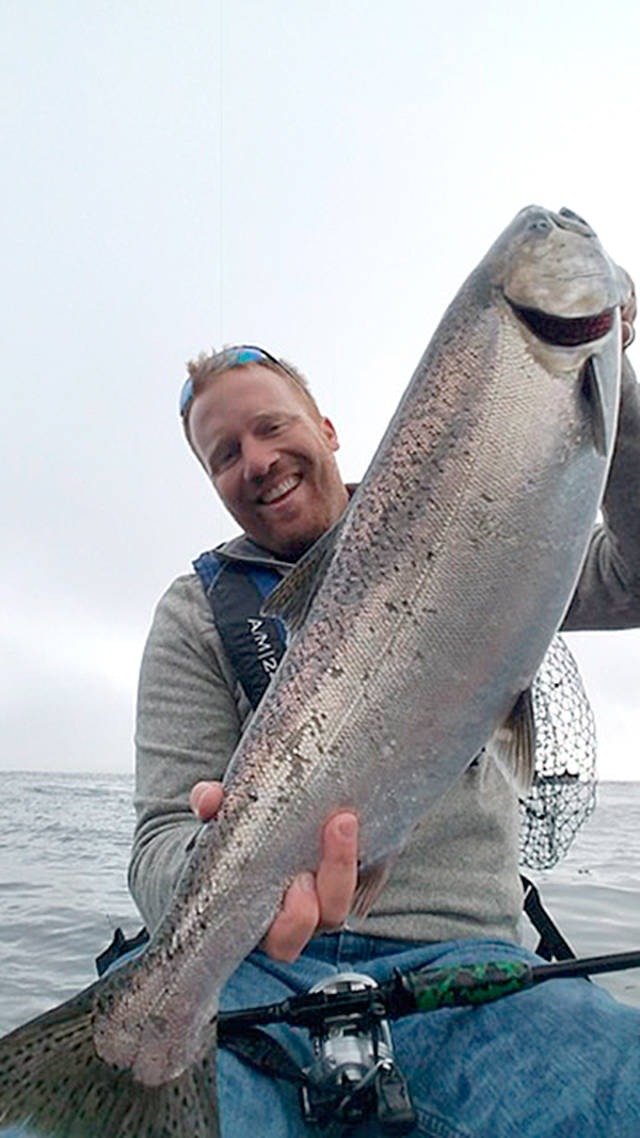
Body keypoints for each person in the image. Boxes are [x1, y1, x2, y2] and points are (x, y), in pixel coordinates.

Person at [129, 317, 640, 1136]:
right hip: (251, 973)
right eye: (224, 455)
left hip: (474, 968)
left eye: (270, 426)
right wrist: (231, 875)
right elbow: (158, 843)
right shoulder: (194, 613)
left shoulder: (478, 523)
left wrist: (607, 379)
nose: (255, 460)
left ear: (326, 428)